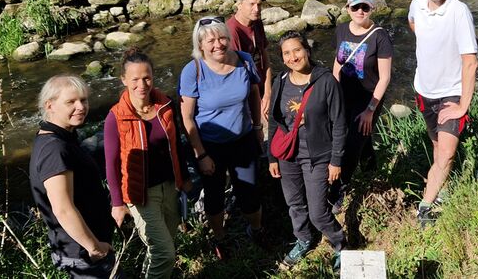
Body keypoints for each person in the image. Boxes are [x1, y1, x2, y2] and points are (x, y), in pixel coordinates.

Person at [179, 16, 265, 258]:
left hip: (243, 139)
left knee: (249, 191)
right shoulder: (193, 71)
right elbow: (187, 118)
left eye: (222, 37)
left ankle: (257, 229)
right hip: (210, 145)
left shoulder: (244, 61)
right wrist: (201, 154)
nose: (218, 44)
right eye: (210, 40)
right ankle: (219, 238)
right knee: (214, 195)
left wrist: (258, 127)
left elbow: (254, 95)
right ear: (200, 44)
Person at [104, 48, 190, 278]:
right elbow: (111, 163)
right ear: (124, 80)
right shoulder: (116, 116)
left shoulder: (165, 105)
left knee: (164, 246)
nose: (142, 84)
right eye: (135, 79)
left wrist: (185, 179)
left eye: (147, 77)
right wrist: (117, 203)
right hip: (141, 195)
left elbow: (177, 144)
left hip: (170, 187)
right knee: (165, 253)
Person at [267, 31, 347, 270]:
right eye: (286, 53)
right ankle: (303, 239)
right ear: (282, 58)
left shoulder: (326, 81)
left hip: (318, 156)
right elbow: (274, 121)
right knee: (294, 204)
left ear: (308, 51)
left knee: (318, 212)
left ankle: (340, 243)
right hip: (287, 155)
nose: (293, 57)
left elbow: (340, 122)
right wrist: (272, 156)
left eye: (297, 50)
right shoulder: (280, 81)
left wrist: (336, 160)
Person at [407, 0, 478, 228]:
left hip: (451, 95)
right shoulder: (417, 5)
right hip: (424, 91)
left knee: (447, 154)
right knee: (437, 145)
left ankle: (425, 206)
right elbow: (412, 23)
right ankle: (442, 190)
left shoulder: (459, 12)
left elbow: (470, 61)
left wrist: (463, 105)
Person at [29, 75, 119, 278]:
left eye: (84, 100)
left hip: (85, 249)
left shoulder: (61, 138)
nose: (81, 106)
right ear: (49, 105)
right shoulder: (55, 149)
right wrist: (95, 248)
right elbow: (62, 209)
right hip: (83, 254)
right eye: (71, 101)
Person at [330, 0, 392, 212]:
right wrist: (332, 92)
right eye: (355, 7)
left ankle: (339, 188)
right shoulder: (340, 30)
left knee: (352, 141)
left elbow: (385, 77)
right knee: (345, 134)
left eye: (365, 7)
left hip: (369, 97)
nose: (360, 11)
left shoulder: (380, 36)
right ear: (348, 9)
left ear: (371, 9)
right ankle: (369, 163)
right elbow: (337, 63)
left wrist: (370, 110)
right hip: (343, 94)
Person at [226, 0, 273, 118]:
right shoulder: (232, 30)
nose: (257, 9)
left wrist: (268, 91)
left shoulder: (256, 22)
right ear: (239, 5)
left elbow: (265, 55)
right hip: (247, 90)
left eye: (259, 4)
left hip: (261, 84)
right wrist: (259, 100)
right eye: (252, 4)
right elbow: (238, 73)